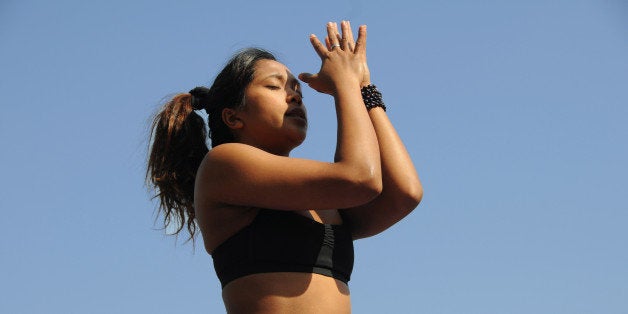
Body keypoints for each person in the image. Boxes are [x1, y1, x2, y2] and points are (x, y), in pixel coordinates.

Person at [146, 21, 422, 314]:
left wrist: (363, 87)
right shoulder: (223, 164)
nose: (295, 96)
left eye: (297, 89)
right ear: (233, 117)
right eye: (274, 86)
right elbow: (361, 179)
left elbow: (405, 194)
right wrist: (345, 86)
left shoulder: (323, 201)